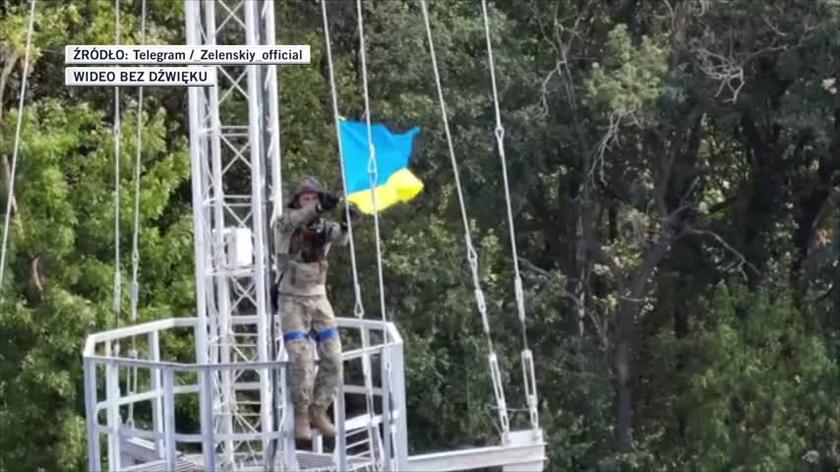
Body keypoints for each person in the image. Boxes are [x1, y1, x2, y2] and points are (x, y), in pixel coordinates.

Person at [272, 176, 358, 441]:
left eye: (314, 197)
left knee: (333, 356)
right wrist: (317, 207)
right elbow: (293, 222)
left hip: (318, 298)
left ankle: (319, 408)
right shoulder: (284, 223)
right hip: (292, 299)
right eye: (305, 198)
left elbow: (341, 238)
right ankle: (301, 414)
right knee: (301, 359)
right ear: (297, 201)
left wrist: (347, 223)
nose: (310, 202)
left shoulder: (324, 227)